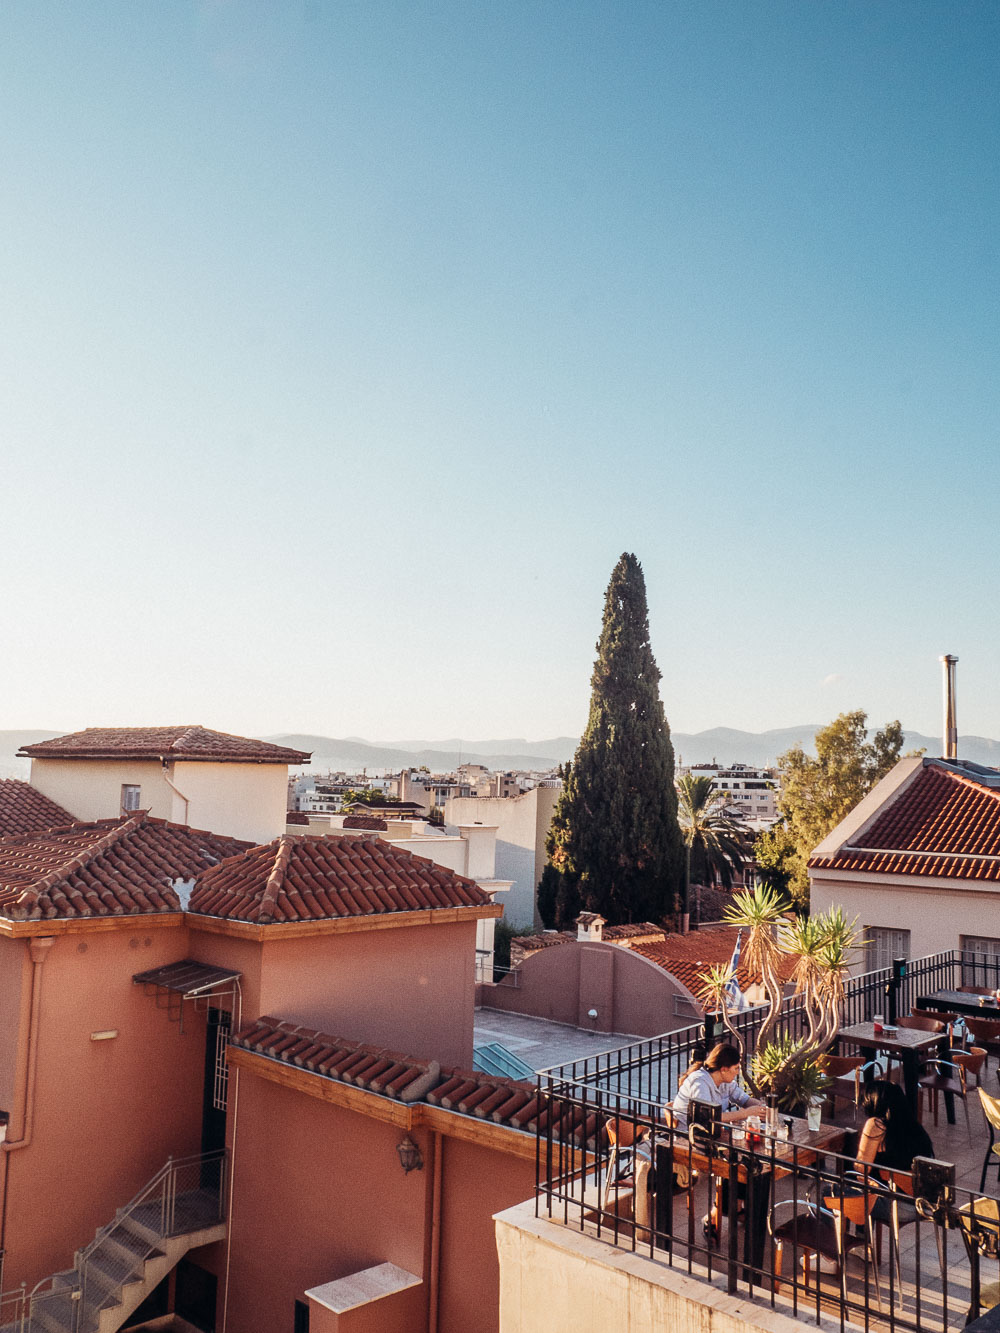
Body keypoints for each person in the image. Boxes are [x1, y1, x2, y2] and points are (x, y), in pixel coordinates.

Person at [854, 1079, 933, 1224]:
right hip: (923, 1205)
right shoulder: (915, 1127)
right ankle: (862, 1243)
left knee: (832, 1193)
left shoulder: (876, 1125)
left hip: (896, 1206)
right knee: (865, 1193)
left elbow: (861, 1169)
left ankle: (855, 1244)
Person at [671, 1042, 764, 1130]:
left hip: (712, 1131)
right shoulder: (699, 1083)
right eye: (736, 1068)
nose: (738, 1072)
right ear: (723, 1069)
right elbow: (708, 1117)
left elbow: (745, 1100)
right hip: (689, 1134)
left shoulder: (726, 1082)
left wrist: (762, 1107)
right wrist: (745, 1113)